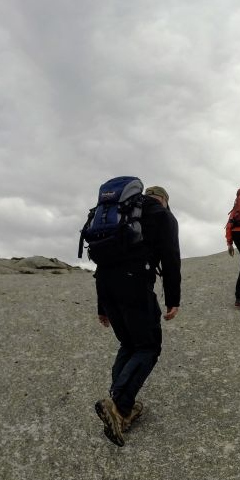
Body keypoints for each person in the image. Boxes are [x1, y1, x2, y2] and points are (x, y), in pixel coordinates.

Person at [94, 185, 180, 447]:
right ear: (164, 199)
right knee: (148, 347)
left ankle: (120, 406)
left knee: (128, 344)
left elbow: (102, 260)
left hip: (107, 286)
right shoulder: (162, 214)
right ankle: (119, 405)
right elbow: (171, 258)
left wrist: (102, 306)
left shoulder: (118, 212)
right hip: (133, 284)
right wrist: (173, 299)